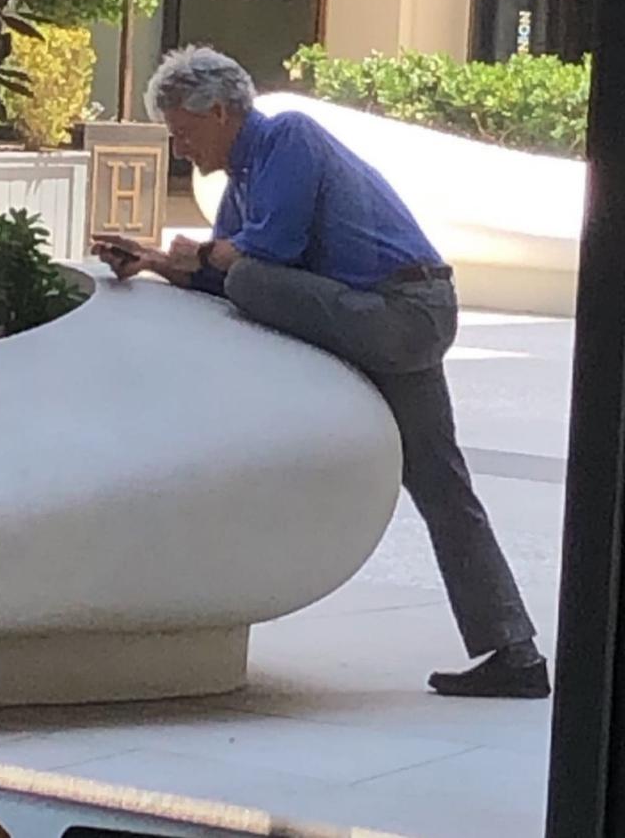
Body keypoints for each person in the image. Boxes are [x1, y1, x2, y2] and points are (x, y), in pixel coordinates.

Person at [93, 46, 550, 699]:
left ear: (219, 112)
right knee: (442, 485)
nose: (180, 148)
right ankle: (516, 653)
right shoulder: (242, 180)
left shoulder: (289, 138)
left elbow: (264, 256)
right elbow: (220, 268)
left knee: (250, 278)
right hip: (391, 314)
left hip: (404, 311)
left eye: (185, 132)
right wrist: (152, 261)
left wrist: (204, 256)